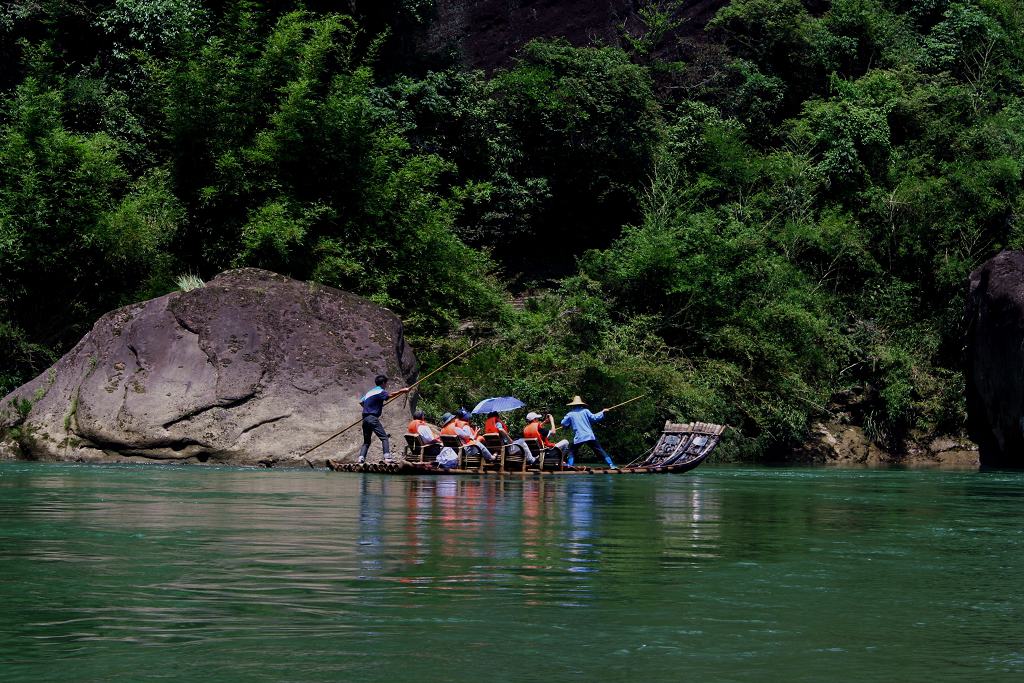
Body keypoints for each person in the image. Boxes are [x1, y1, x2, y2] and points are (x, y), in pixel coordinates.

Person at [356, 374, 410, 464]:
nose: (386, 385)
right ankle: (387, 458)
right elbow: (390, 395)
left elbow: (361, 402)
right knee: (384, 437)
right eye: (386, 383)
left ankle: (361, 458)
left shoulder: (370, 392)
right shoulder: (381, 391)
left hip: (365, 419)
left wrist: (371, 406)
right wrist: (402, 391)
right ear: (383, 383)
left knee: (366, 441)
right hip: (372, 418)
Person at [560, 395, 617, 468]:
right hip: (589, 435)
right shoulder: (585, 411)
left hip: (579, 437)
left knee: (572, 451)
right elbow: (595, 418)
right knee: (600, 450)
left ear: (573, 405)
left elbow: (563, 423)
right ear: (581, 404)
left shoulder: (570, 414)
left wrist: (567, 424)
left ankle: (570, 465)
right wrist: (602, 412)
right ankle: (611, 464)